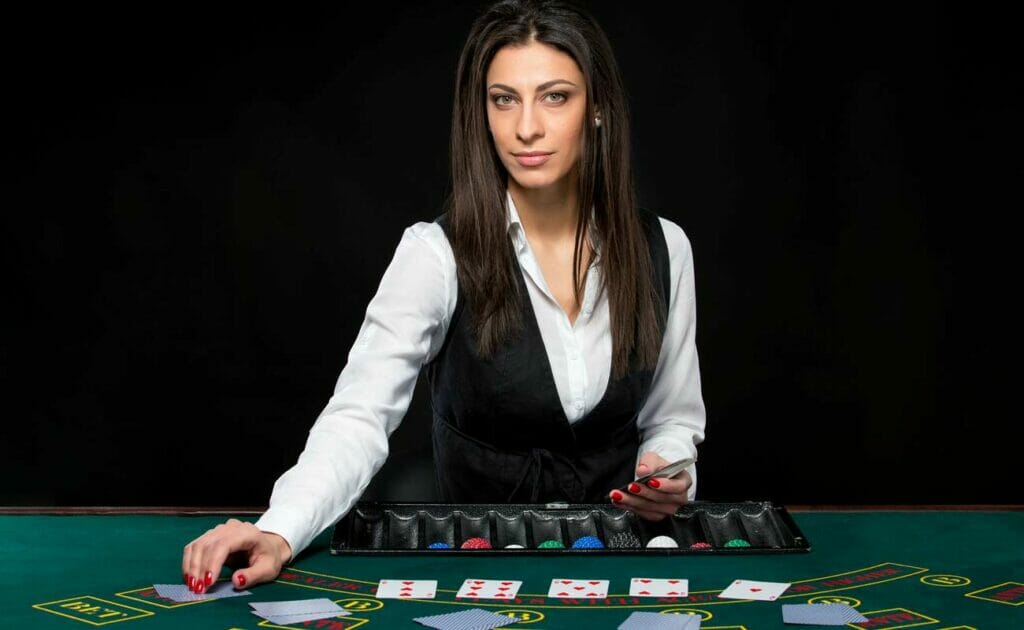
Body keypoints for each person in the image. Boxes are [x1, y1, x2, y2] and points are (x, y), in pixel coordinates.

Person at [180, 0, 705, 594]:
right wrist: (280, 529)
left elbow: (673, 418)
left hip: (618, 568)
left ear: (599, 107)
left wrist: (666, 470)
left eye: (555, 97)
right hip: (475, 574)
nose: (526, 127)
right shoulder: (433, 253)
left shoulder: (665, 248)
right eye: (503, 99)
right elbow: (360, 414)